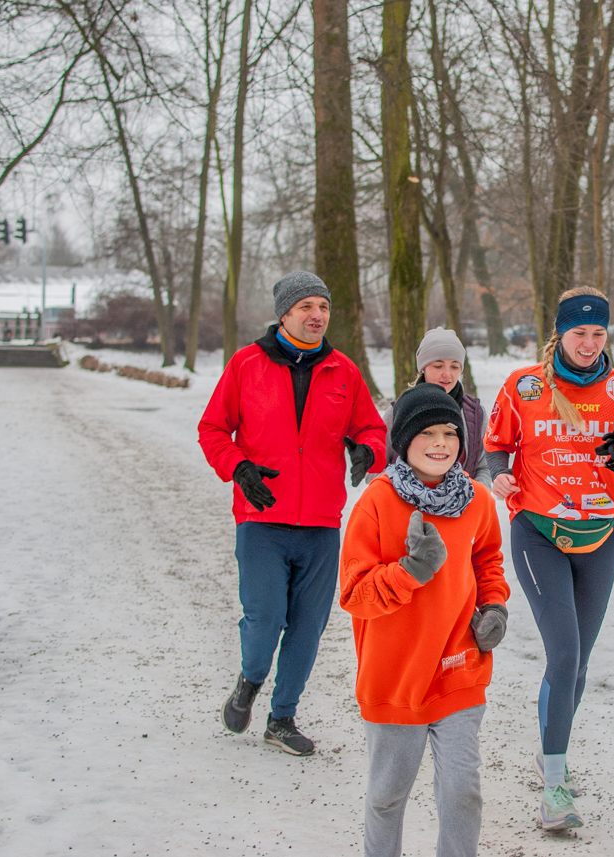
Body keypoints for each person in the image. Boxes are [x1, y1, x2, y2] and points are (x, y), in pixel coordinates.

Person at [483, 286, 614, 830]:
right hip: (538, 531)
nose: (589, 343)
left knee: (580, 664)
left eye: (597, 333)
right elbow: (495, 445)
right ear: (559, 333)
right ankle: (555, 790)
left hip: (600, 538)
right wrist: (498, 473)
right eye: (578, 333)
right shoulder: (526, 386)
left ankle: (551, 750)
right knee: (564, 656)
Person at [198, 271, 386, 755]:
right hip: (262, 520)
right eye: (306, 306)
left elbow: (370, 428)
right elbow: (213, 429)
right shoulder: (246, 364)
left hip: (321, 525)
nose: (317, 315)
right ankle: (250, 679)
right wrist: (239, 469)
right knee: (265, 620)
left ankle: (282, 718)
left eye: (323, 307)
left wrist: (367, 451)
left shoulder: (343, 370)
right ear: (284, 314)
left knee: (307, 626)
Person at [340, 382, 509, 857]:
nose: (441, 444)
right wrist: (410, 572)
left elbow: (488, 563)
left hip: (458, 669)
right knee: (387, 797)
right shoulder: (376, 502)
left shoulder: (477, 500)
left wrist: (494, 607)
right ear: (405, 442)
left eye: (450, 434)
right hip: (394, 677)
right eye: (428, 434)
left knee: (463, 792)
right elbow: (355, 595)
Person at [381, 327, 492, 488]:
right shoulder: (398, 410)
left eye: (454, 366)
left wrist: (473, 497)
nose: (447, 374)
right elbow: (376, 469)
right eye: (438, 366)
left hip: (461, 510)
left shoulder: (476, 414)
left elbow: (485, 467)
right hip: (407, 510)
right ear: (423, 368)